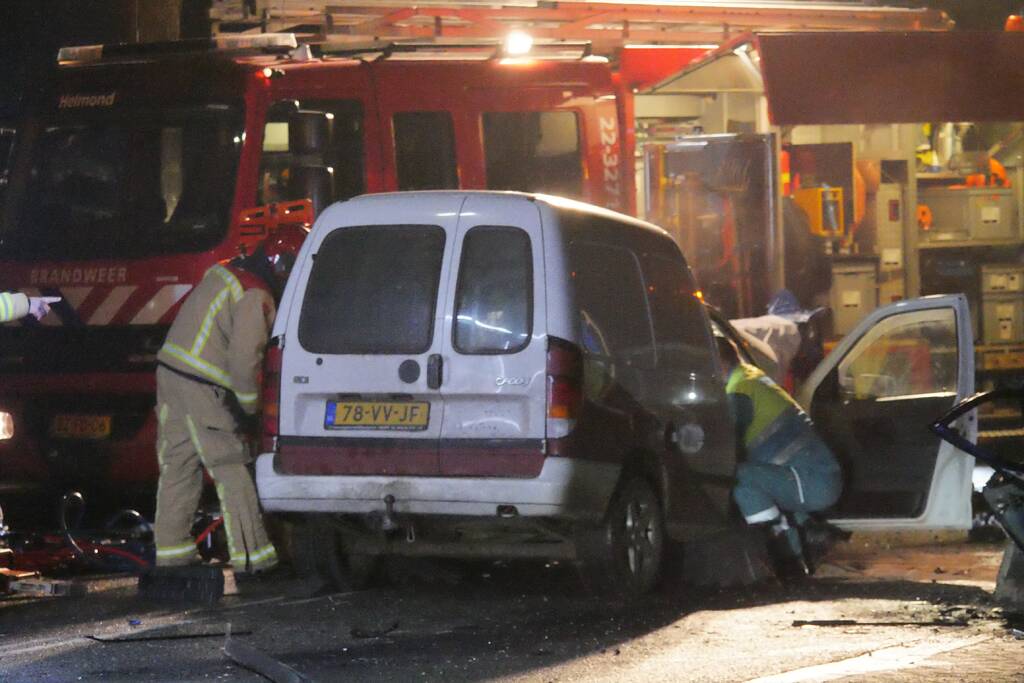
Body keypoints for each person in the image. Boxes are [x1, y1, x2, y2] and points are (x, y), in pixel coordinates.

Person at [153, 225, 306, 575]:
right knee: (232, 468)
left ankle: (172, 555)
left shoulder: (225, 273)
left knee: (179, 465)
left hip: (171, 373)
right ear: (282, 264)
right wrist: (250, 408)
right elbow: (243, 360)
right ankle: (255, 560)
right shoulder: (255, 294)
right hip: (204, 384)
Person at [716, 336, 843, 579]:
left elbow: (726, 447)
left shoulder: (739, 391)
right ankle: (807, 534)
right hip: (815, 476)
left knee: (740, 480)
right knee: (757, 478)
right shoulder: (749, 376)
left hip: (811, 480)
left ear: (718, 363)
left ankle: (784, 553)